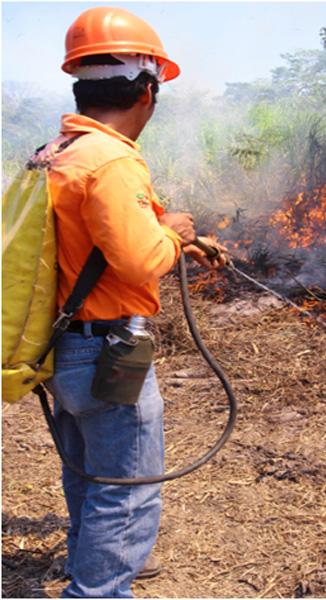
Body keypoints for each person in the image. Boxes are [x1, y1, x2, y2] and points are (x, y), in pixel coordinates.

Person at [33, 6, 226, 598]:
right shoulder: (112, 160)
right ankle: (97, 589)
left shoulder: (57, 152)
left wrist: (170, 233)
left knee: (88, 472)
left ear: (80, 85)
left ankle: (92, 562)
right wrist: (174, 236)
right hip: (107, 352)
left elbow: (84, 236)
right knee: (128, 487)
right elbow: (140, 261)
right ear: (148, 91)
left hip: (61, 346)